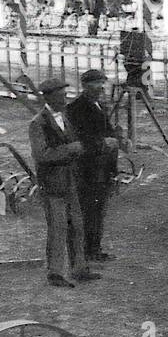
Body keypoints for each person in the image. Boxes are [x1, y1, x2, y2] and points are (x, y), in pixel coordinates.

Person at [29, 78, 100, 288]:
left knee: (77, 226)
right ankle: (56, 273)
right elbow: (41, 155)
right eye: (60, 95)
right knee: (58, 228)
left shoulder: (65, 117)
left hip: (70, 181)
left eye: (65, 94)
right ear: (49, 97)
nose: (65, 98)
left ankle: (79, 268)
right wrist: (69, 150)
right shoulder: (37, 123)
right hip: (52, 184)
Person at [68, 69, 126, 262]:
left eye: (102, 84)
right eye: (95, 84)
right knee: (87, 212)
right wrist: (104, 143)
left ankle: (94, 249)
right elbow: (79, 140)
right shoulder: (75, 109)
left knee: (98, 212)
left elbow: (106, 132)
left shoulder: (98, 105)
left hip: (102, 167)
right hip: (86, 169)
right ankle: (84, 252)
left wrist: (116, 135)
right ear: (85, 86)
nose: (100, 88)